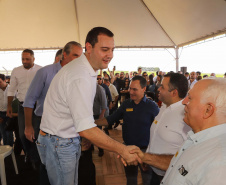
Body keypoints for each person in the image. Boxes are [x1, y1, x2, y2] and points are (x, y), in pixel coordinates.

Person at [36, 27, 141, 185]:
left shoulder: (85, 70)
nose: (110, 55)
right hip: (59, 143)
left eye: (112, 50)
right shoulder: (80, 75)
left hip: (61, 140)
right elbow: (85, 128)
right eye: (105, 49)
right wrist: (122, 149)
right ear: (89, 47)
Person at [23, 41, 83, 184]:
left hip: (66, 128)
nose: (78, 60)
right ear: (64, 55)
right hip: (43, 123)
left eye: (81, 56)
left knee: (62, 169)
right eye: (75, 55)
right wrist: (28, 126)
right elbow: (29, 100)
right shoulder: (45, 72)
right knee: (45, 165)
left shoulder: (77, 75)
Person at [160, 78, 226, 184]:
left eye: (190, 98)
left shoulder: (220, 163)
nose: (184, 102)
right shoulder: (197, 137)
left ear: (208, 110)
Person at [96, 76, 159, 185]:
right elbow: (110, 119)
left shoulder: (152, 107)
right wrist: (92, 123)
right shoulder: (126, 104)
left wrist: (153, 153)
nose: (131, 92)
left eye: (135, 89)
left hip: (146, 151)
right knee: (130, 180)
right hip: (128, 150)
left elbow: (159, 130)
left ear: (144, 89)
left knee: (147, 180)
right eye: (130, 88)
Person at [130, 73, 191, 184]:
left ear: (174, 92)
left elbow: (189, 155)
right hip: (154, 171)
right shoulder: (164, 106)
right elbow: (155, 135)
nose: (158, 88)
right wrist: (148, 156)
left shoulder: (186, 116)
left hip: (171, 177)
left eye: (162, 86)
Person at [7, 49, 42, 167]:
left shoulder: (40, 70)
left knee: (36, 133)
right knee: (22, 134)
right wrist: (9, 105)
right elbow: (11, 89)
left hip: (37, 107)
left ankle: (36, 158)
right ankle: (29, 154)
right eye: (23, 59)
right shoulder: (16, 71)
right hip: (22, 107)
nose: (24, 61)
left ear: (33, 59)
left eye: (27, 59)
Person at [0, 74, 13, 146]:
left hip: (10, 114)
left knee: (9, 133)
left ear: (5, 80)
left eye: (0, 82)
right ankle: (6, 150)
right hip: (1, 114)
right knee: (3, 132)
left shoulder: (12, 89)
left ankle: (10, 151)